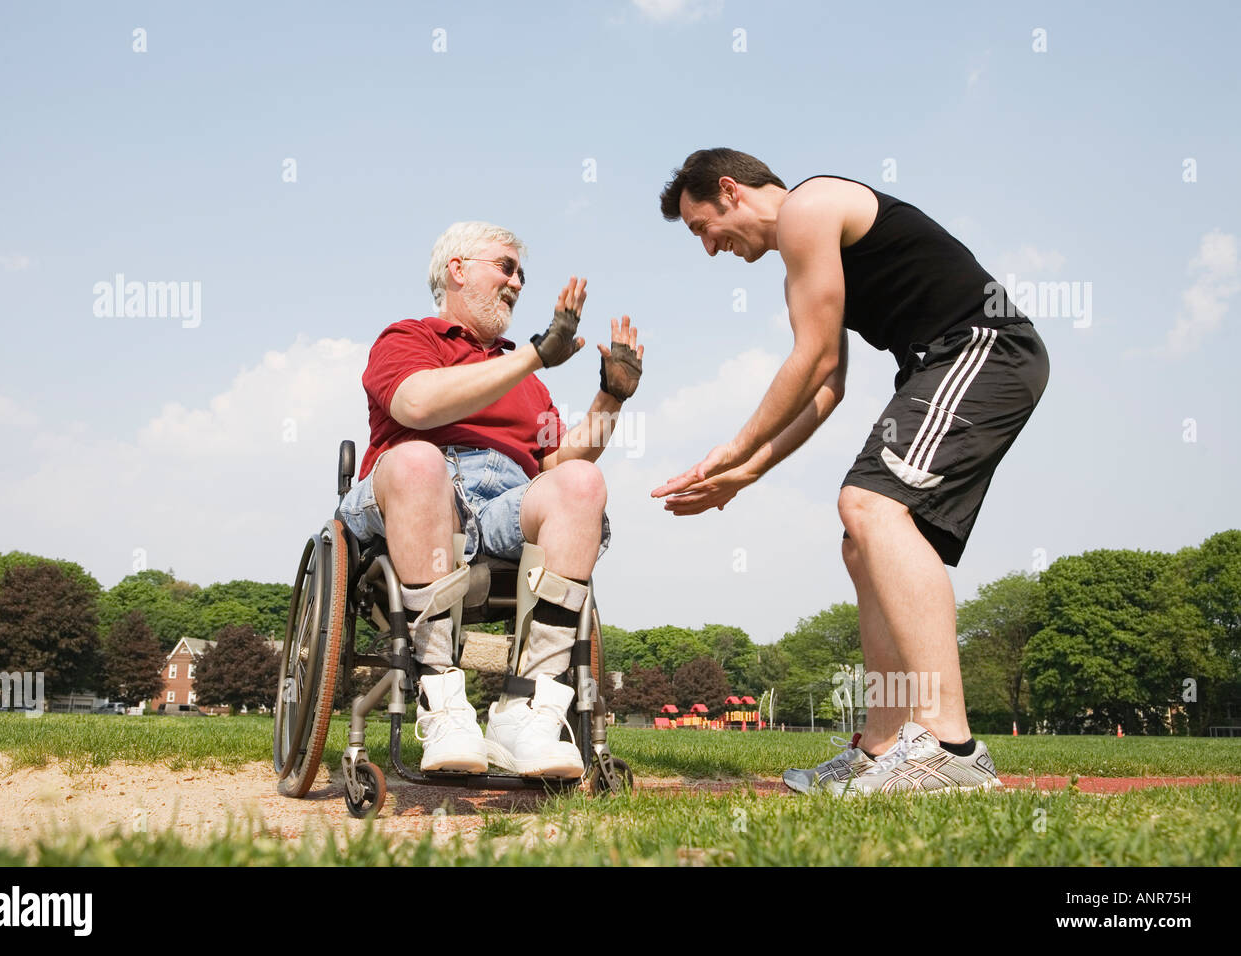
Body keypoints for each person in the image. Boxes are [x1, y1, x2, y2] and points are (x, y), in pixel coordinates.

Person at [653, 149, 1047, 794]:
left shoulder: (811, 206)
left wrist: (736, 445)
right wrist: (749, 470)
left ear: (729, 190)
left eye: (702, 227)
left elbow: (809, 360)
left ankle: (951, 750)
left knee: (869, 507)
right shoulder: (800, 265)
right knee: (862, 541)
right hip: (941, 364)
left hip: (984, 348)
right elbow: (827, 384)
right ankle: (882, 748)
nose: (708, 248)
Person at [338, 221, 644, 778]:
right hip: (415, 487)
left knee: (582, 485)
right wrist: (532, 356)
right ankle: (442, 702)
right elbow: (415, 408)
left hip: (504, 502)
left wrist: (611, 397)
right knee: (417, 460)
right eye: (506, 267)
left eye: (522, 273)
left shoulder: (527, 378)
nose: (518, 283)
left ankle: (527, 711)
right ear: (457, 270)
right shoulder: (409, 337)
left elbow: (559, 461)